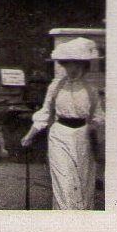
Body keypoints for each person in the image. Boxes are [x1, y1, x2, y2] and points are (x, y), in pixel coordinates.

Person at [21, 37, 104, 210]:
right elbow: (45, 112)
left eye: (76, 64)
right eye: (67, 64)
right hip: (59, 136)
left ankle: (81, 224)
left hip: (83, 138)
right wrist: (29, 135)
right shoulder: (55, 87)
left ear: (84, 65)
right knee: (63, 181)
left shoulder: (91, 90)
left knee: (83, 182)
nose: (71, 68)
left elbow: (97, 117)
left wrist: (96, 133)